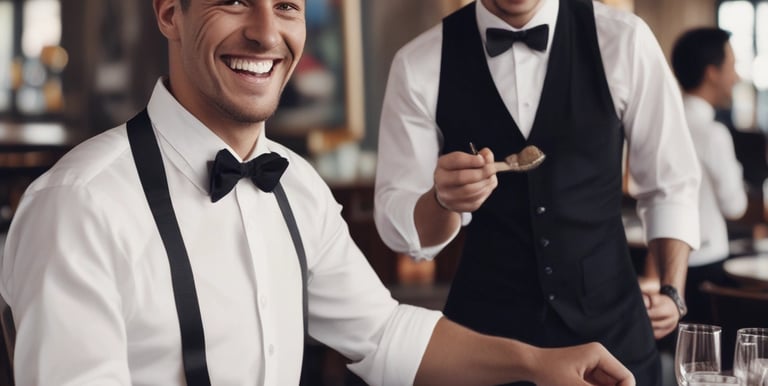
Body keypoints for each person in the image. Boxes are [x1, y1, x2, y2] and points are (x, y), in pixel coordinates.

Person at [0, 0, 635, 385]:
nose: (264, 33)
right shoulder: (79, 203)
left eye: (287, 7)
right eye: (233, 2)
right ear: (171, 12)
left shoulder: (297, 184)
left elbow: (383, 337)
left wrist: (535, 363)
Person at [374, 0, 701, 385]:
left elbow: (670, 183)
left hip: (614, 338)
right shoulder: (418, 63)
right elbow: (403, 229)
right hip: (484, 347)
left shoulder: (625, 40)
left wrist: (671, 289)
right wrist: (442, 201)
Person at [669, 27, 747, 324]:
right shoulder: (712, 133)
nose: (737, 77)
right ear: (712, 72)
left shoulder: (668, 123)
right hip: (708, 263)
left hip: (671, 263)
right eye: (733, 66)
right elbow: (735, 205)